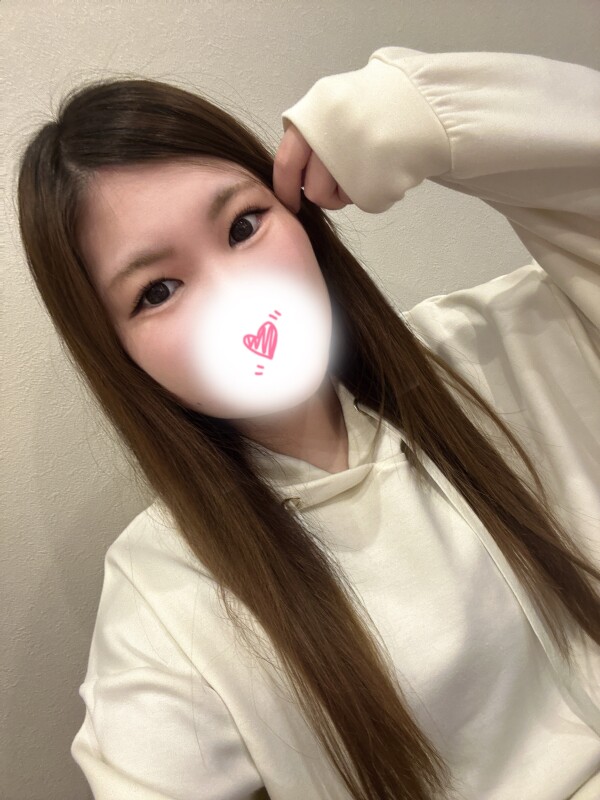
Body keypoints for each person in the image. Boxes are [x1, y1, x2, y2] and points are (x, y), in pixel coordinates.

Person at [16, 45, 600, 800]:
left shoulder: (497, 345)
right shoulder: (166, 598)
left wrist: (435, 111)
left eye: (243, 226)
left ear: (298, 215)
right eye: (157, 290)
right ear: (116, 350)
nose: (240, 298)